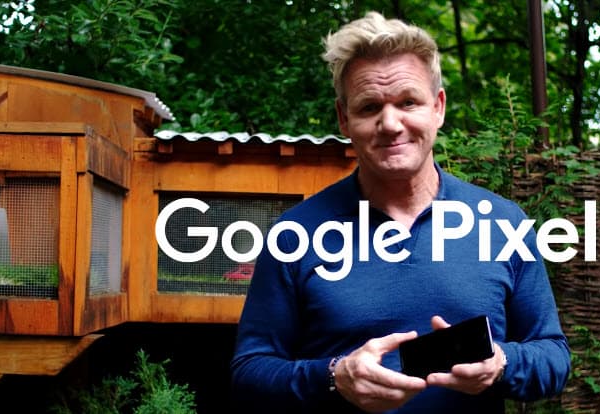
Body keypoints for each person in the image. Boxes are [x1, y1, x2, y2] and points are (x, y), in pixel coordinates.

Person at [231, 11, 570, 413]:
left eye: (408, 102)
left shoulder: (503, 224)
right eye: (369, 107)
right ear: (344, 119)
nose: (390, 124)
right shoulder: (294, 234)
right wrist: (334, 376)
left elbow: (554, 357)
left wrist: (502, 364)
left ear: (438, 108)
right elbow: (249, 373)